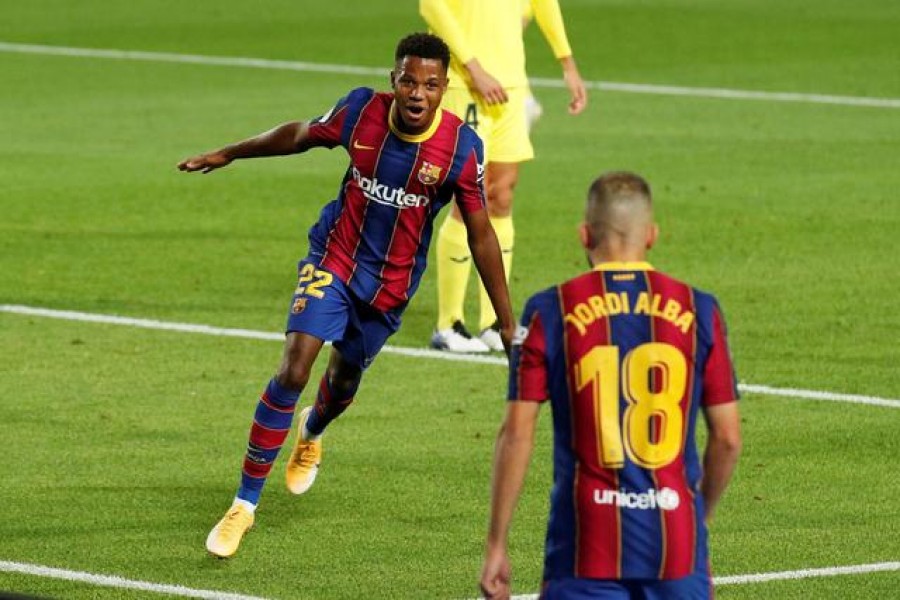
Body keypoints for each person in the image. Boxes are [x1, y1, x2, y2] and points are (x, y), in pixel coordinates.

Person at [177, 32, 516, 559]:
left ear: (444, 87)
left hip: (390, 286)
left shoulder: (461, 148)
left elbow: (481, 234)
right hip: (333, 257)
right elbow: (299, 134)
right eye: (408, 81)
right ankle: (243, 504)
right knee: (294, 367)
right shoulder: (360, 111)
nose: (418, 93)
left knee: (341, 381)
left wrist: (507, 322)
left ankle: (312, 430)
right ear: (393, 80)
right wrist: (230, 153)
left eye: (430, 85)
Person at [479, 172, 742, 599]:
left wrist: (496, 543)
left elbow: (516, 433)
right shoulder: (700, 309)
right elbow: (728, 439)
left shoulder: (551, 309)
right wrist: (697, 518)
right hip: (676, 547)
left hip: (584, 548)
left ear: (584, 235)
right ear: (652, 236)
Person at [420, 0, 588, 353]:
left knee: (502, 194)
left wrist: (567, 62)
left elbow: (543, 4)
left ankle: (495, 322)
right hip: (465, 83)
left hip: (511, 85)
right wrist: (474, 68)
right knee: (469, 197)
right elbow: (432, 7)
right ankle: (448, 325)